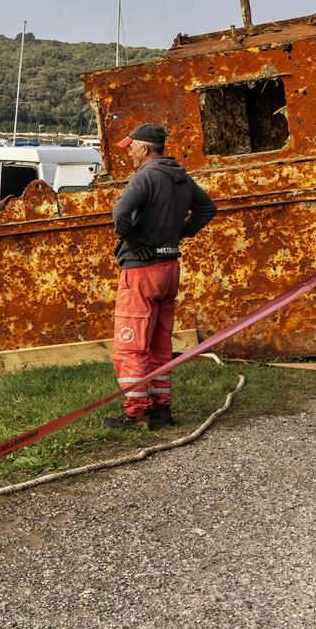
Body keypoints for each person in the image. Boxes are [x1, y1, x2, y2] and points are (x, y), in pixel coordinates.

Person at [105, 122, 216, 430]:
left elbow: (119, 215)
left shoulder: (146, 177)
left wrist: (137, 242)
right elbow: (207, 209)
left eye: (131, 147)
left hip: (141, 273)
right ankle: (162, 409)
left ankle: (137, 412)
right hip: (170, 269)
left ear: (145, 148)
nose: (129, 153)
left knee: (131, 345)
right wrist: (177, 235)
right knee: (159, 342)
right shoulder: (180, 177)